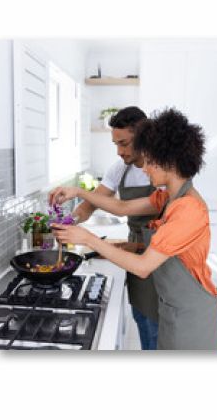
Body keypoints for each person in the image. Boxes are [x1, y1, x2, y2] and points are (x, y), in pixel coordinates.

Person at [49, 108, 217, 350]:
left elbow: (143, 268)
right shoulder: (168, 197)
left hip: (191, 317)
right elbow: (123, 207)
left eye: (150, 161)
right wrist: (79, 193)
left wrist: (88, 238)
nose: (144, 168)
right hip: (174, 307)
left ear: (168, 161)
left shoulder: (188, 209)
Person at [49, 106, 159, 350]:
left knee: (159, 324)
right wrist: (69, 221)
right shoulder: (121, 168)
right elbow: (89, 206)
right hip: (134, 251)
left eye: (124, 143)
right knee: (142, 316)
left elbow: (122, 207)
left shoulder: (161, 169)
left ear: (143, 137)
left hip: (161, 254)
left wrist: (78, 191)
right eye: (115, 144)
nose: (119, 151)